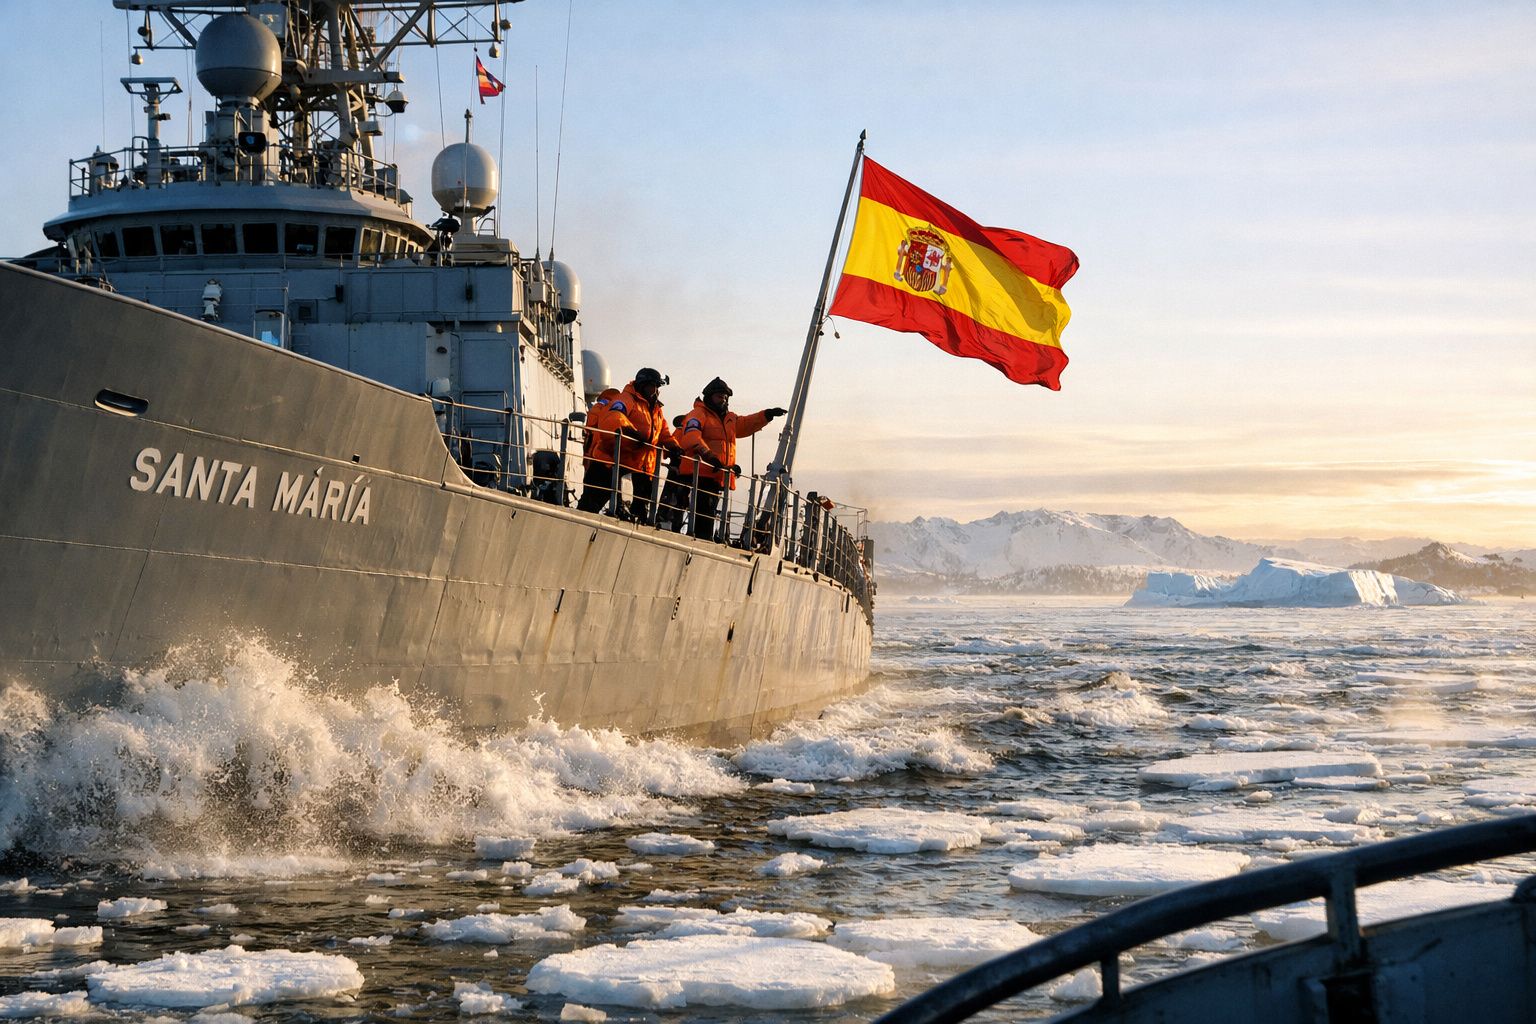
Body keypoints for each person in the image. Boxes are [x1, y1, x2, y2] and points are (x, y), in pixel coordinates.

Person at [676, 378, 786, 542]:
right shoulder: (698, 414)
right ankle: (700, 538)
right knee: (702, 509)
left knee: (709, 509)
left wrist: (767, 415)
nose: (723, 400)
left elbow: (746, 424)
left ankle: (704, 537)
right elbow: (692, 436)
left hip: (717, 475)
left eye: (725, 397)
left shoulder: (729, 419)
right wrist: (709, 456)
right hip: (700, 473)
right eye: (720, 396)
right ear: (710, 397)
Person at [578, 367, 678, 522]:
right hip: (612, 458)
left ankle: (636, 522)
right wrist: (630, 431)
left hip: (642, 465)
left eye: (657, 387)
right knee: (591, 502)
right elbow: (614, 416)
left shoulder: (656, 409)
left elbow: (663, 431)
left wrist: (673, 446)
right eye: (653, 386)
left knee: (641, 510)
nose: (656, 391)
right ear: (643, 385)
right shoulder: (626, 399)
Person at [655, 414, 690, 532]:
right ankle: (669, 523)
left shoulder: (678, 432)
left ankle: (667, 521)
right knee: (675, 499)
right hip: (680, 470)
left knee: (675, 499)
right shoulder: (682, 433)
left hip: (678, 469)